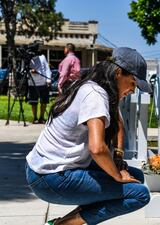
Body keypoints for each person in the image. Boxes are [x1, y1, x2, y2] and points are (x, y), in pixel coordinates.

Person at [26, 47, 153, 225]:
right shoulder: (95, 95)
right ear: (118, 73)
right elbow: (97, 148)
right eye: (133, 83)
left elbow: (118, 124)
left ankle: (65, 222)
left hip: (47, 170)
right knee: (139, 194)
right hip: (50, 178)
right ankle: (64, 224)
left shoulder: (95, 86)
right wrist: (117, 175)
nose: (133, 90)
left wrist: (117, 157)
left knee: (135, 176)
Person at [27, 53, 52, 124]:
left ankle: (41, 117)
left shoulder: (42, 57)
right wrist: (31, 71)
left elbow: (47, 68)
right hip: (32, 83)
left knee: (44, 102)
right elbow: (24, 69)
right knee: (33, 102)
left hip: (43, 83)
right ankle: (35, 118)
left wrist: (48, 80)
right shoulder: (28, 58)